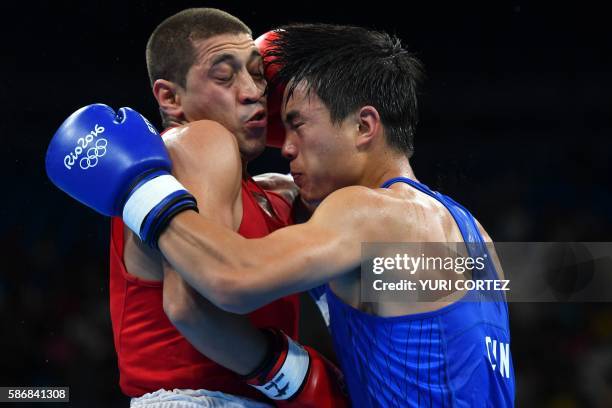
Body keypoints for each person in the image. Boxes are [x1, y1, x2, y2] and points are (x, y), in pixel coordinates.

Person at [46, 23, 515, 406]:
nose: (284, 146)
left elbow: (230, 280)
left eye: (295, 125)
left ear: (364, 126)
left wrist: (140, 188)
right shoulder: (468, 234)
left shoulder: (367, 213)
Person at [49, 9, 346, 407]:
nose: (253, 91)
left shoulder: (272, 196)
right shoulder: (199, 140)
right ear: (170, 98)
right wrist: (296, 379)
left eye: (258, 73)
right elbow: (191, 304)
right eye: (224, 76)